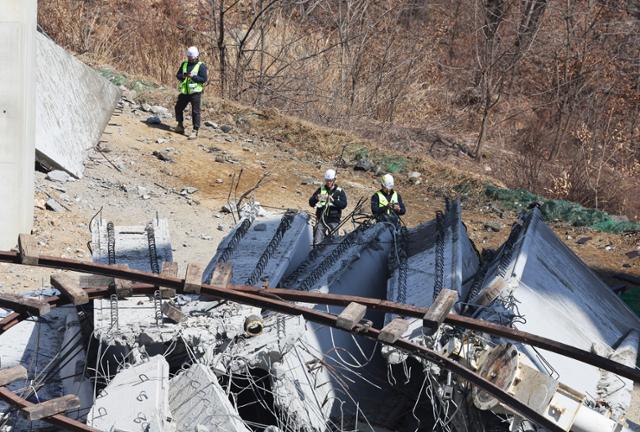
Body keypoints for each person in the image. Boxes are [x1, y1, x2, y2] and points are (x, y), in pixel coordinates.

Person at [175, 46, 208, 139]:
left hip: (195, 93)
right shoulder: (184, 64)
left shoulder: (201, 66)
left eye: (191, 57)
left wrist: (193, 77)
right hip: (184, 92)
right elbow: (178, 75)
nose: (189, 59)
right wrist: (183, 76)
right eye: (188, 57)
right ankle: (180, 125)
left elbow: (204, 79)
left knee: (195, 112)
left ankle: (195, 131)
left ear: (196, 56)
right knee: (178, 108)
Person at [308, 169, 347, 245]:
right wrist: (316, 198)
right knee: (317, 242)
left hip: (334, 220)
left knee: (333, 243)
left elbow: (343, 205)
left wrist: (333, 201)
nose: (328, 182)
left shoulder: (339, 191)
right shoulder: (321, 189)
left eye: (330, 180)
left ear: (334, 180)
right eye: (327, 180)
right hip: (321, 220)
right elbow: (311, 203)